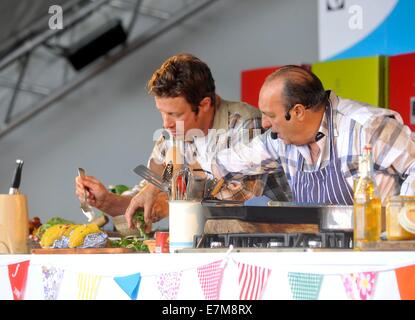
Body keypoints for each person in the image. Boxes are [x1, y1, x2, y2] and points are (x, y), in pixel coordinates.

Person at [75, 53, 291, 232]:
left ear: (204, 104)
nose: (166, 124)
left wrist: (172, 203)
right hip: (210, 245)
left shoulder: (245, 123)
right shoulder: (173, 134)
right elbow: (155, 188)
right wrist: (108, 201)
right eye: (162, 113)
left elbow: (240, 195)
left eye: (174, 114)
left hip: (271, 243)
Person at [212, 65, 415, 205]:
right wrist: (199, 171)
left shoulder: (366, 127)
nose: (264, 123)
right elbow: (231, 161)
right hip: (319, 253)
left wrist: (403, 220)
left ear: (298, 111)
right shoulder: (280, 140)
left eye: (270, 115)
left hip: (380, 254)